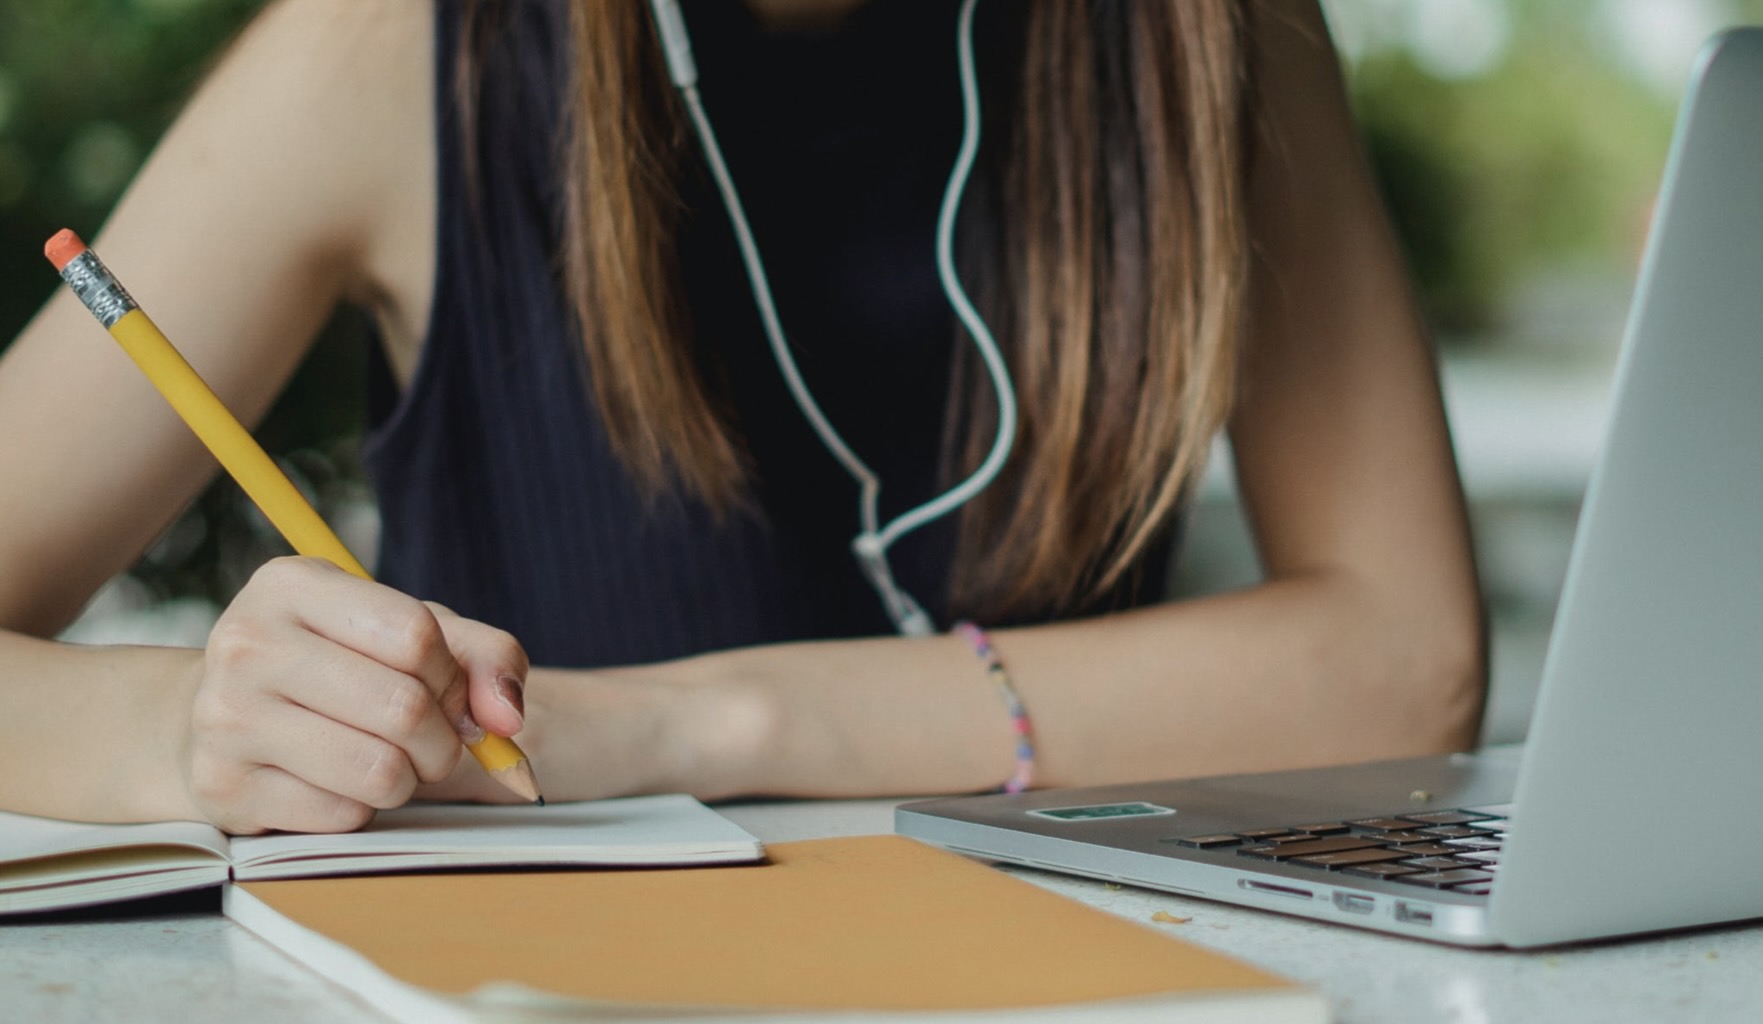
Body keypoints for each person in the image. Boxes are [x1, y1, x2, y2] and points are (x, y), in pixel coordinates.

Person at [0, 0, 1486, 835]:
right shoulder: (385, 49)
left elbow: (1399, 664)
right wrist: (186, 728)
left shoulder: (1206, 40)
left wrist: (691, 723)